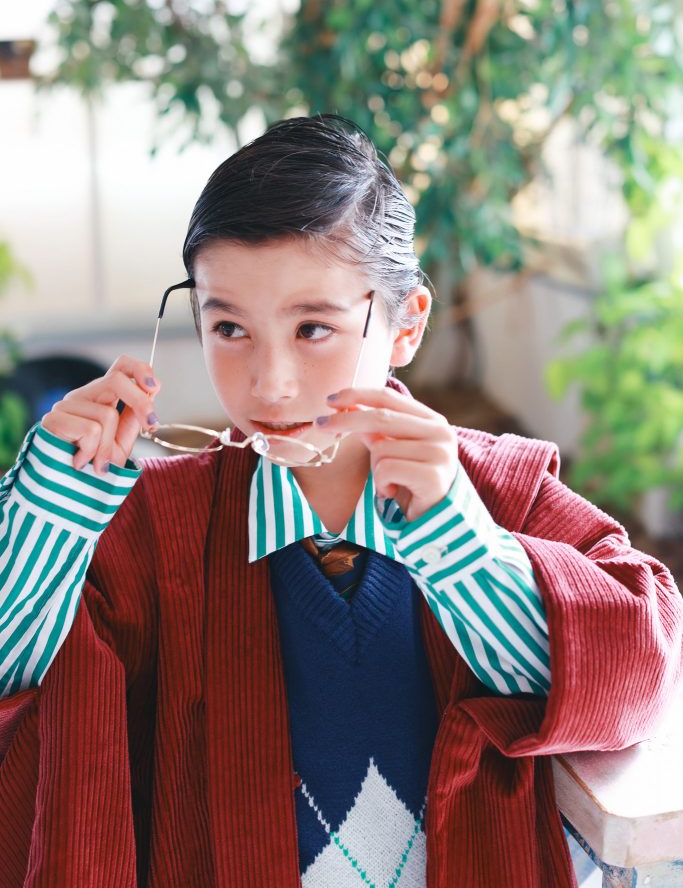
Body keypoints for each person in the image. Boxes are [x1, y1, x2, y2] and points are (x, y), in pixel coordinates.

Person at [0, 114, 680, 888]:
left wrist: (455, 539)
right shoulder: (150, 531)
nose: (270, 381)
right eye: (229, 327)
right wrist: (47, 516)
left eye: (313, 328)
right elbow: (24, 695)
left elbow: (631, 673)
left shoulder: (499, 492)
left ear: (406, 325)